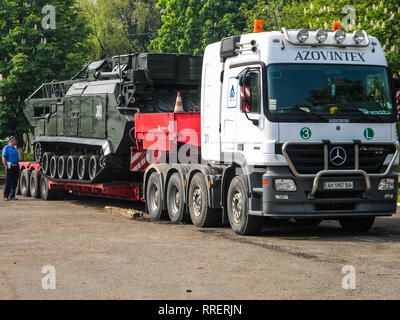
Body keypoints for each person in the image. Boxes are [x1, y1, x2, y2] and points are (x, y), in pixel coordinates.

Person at [2, 136, 20, 201]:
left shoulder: (15, 149)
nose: (16, 141)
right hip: (10, 166)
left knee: (14, 181)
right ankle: (5, 196)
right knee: (8, 181)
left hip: (16, 166)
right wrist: (6, 166)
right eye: (15, 140)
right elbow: (4, 157)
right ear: (11, 141)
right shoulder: (6, 148)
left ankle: (12, 196)